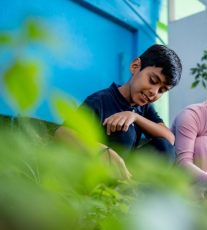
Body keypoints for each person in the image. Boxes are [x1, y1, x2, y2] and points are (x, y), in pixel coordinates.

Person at [55, 44, 182, 179]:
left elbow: (169, 138)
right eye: (153, 80)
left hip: (128, 176)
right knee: (123, 134)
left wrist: (134, 117)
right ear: (135, 66)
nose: (154, 92)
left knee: (165, 148)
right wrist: (103, 152)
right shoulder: (100, 100)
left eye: (161, 91)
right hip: (99, 173)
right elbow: (62, 133)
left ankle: (139, 193)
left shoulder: (143, 107)